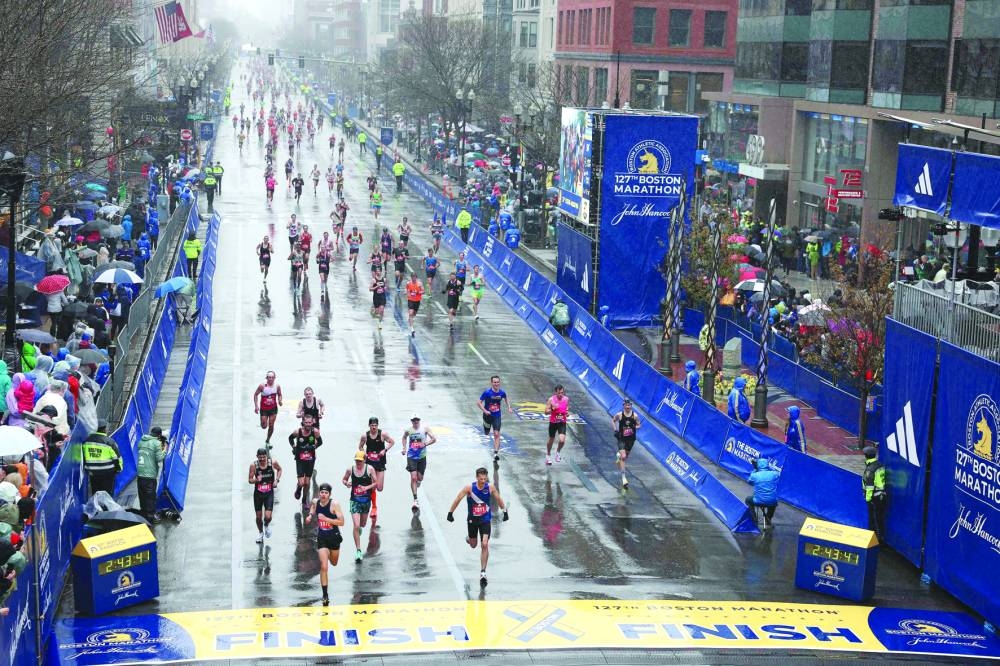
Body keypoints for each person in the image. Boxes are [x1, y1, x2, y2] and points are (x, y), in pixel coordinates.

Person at [446, 467, 509, 588]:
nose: (483, 481)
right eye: (481, 479)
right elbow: (458, 499)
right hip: (472, 520)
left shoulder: (490, 488)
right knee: (473, 545)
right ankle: (469, 538)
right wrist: (450, 513)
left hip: (485, 519)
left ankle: (483, 572)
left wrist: (505, 511)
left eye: (485, 479)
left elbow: (498, 498)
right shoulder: (469, 488)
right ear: (476, 477)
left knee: (484, 544)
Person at [305, 483, 344, 605]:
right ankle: (325, 595)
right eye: (322, 492)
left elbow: (342, 522)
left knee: (334, 562)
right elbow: (312, 506)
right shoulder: (316, 502)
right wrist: (310, 516)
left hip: (334, 538)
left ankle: (329, 558)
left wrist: (326, 519)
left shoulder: (334, 505)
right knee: (324, 566)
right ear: (319, 493)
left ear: (329, 494)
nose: (323, 495)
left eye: (326, 493)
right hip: (322, 539)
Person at [342, 451, 377, 562]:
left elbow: (376, 483)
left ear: (364, 460)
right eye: (357, 460)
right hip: (354, 501)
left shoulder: (370, 469)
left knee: (363, 524)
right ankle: (358, 551)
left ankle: (359, 528)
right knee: (356, 525)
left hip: (366, 501)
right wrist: (346, 483)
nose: (358, 463)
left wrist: (366, 488)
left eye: (360, 461)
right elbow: (344, 479)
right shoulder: (350, 469)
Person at [358, 416, 394, 520]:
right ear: (369, 425)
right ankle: (374, 507)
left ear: (378, 426)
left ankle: (372, 503)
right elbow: (360, 446)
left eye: (375, 425)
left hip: (380, 463)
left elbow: (392, 442)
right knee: (373, 486)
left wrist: (385, 450)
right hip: (370, 464)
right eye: (372, 425)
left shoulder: (382, 434)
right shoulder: (365, 436)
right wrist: (364, 454)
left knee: (379, 488)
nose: (374, 427)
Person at [402, 414, 437, 510]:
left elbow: (434, 439)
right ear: (411, 421)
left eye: (417, 420)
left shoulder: (425, 429)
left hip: (422, 457)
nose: (415, 421)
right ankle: (415, 500)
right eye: (413, 420)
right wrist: (404, 448)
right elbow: (404, 437)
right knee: (413, 477)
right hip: (411, 456)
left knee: (419, 478)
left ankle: (418, 481)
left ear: (419, 420)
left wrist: (425, 444)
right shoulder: (408, 430)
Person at [289, 415, 323, 509]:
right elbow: (290, 438)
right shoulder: (298, 432)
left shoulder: (315, 432)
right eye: (306, 423)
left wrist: (314, 447)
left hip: (310, 460)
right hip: (300, 460)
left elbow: (320, 442)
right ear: (303, 422)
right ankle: (298, 488)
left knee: (307, 483)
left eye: (310, 423)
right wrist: (294, 447)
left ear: (312, 423)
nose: (308, 425)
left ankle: (304, 501)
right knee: (301, 483)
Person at [250, 447, 282, 543]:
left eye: (264, 457)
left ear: (266, 456)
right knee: (259, 517)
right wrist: (256, 480)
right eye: (260, 457)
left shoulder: (272, 463)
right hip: (258, 494)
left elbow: (280, 470)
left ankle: (266, 525)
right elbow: (250, 479)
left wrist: (276, 480)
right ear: (257, 457)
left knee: (268, 517)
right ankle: (260, 533)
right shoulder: (253, 465)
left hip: (269, 493)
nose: (262, 459)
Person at [82, 419, 121, 496]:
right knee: (107, 494)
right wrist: (118, 469)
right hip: (108, 473)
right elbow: (117, 458)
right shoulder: (110, 442)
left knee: (96, 493)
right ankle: (106, 507)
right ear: (104, 429)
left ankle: (97, 506)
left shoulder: (86, 441)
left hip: (93, 473)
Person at [478, 375, 512, 463]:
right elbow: (478, 403)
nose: (496, 384)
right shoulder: (487, 393)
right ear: (491, 383)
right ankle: (486, 427)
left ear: (499, 382)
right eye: (494, 382)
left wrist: (509, 407)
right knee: (486, 433)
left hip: (497, 416)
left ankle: (496, 453)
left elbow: (506, 398)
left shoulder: (502, 392)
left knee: (496, 434)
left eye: (497, 382)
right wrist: (485, 410)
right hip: (487, 416)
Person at [136, 427, 167, 523]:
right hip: (149, 475)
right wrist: (165, 449)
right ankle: (151, 516)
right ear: (158, 435)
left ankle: (143, 514)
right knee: (150, 496)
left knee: (142, 495)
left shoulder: (142, 440)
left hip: (140, 473)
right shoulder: (156, 443)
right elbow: (159, 458)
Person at [611, 399, 641, 488]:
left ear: (631, 406)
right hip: (621, 438)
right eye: (626, 405)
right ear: (624, 406)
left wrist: (634, 427)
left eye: (629, 405)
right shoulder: (619, 415)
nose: (628, 407)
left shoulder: (635, 416)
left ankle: (618, 456)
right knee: (623, 457)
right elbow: (613, 420)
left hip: (631, 439)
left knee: (625, 457)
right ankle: (624, 478)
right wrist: (615, 430)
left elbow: (639, 425)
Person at [746, 457, 780, 529]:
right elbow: (775, 472)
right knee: (773, 501)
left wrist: (755, 470)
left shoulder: (754, 475)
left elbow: (749, 482)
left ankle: (754, 519)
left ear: (758, 465)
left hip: (758, 500)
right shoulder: (774, 474)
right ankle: (768, 518)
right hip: (772, 501)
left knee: (748, 499)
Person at [862, 446, 886, 540]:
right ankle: (879, 539)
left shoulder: (870, 469)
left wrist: (868, 499)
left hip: (874, 498)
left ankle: (874, 540)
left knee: (873, 521)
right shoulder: (879, 465)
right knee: (879, 519)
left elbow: (869, 486)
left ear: (866, 456)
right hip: (881, 496)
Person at [253, 371, 282, 444]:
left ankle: (268, 439)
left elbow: (279, 394)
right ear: (266, 378)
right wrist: (256, 406)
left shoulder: (277, 386)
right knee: (264, 426)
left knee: (271, 425)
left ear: (274, 378)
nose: (271, 379)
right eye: (269, 377)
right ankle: (264, 423)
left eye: (272, 377)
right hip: (264, 409)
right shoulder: (262, 386)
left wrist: (279, 400)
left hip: (273, 409)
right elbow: (256, 395)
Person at [544, 385, 570, 465]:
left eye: (562, 393)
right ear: (556, 392)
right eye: (559, 393)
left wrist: (567, 413)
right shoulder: (551, 400)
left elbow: (567, 409)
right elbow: (545, 412)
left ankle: (558, 453)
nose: (560, 394)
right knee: (551, 439)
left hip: (562, 422)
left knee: (562, 440)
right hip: (553, 422)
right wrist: (552, 409)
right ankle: (548, 455)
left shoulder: (566, 399)